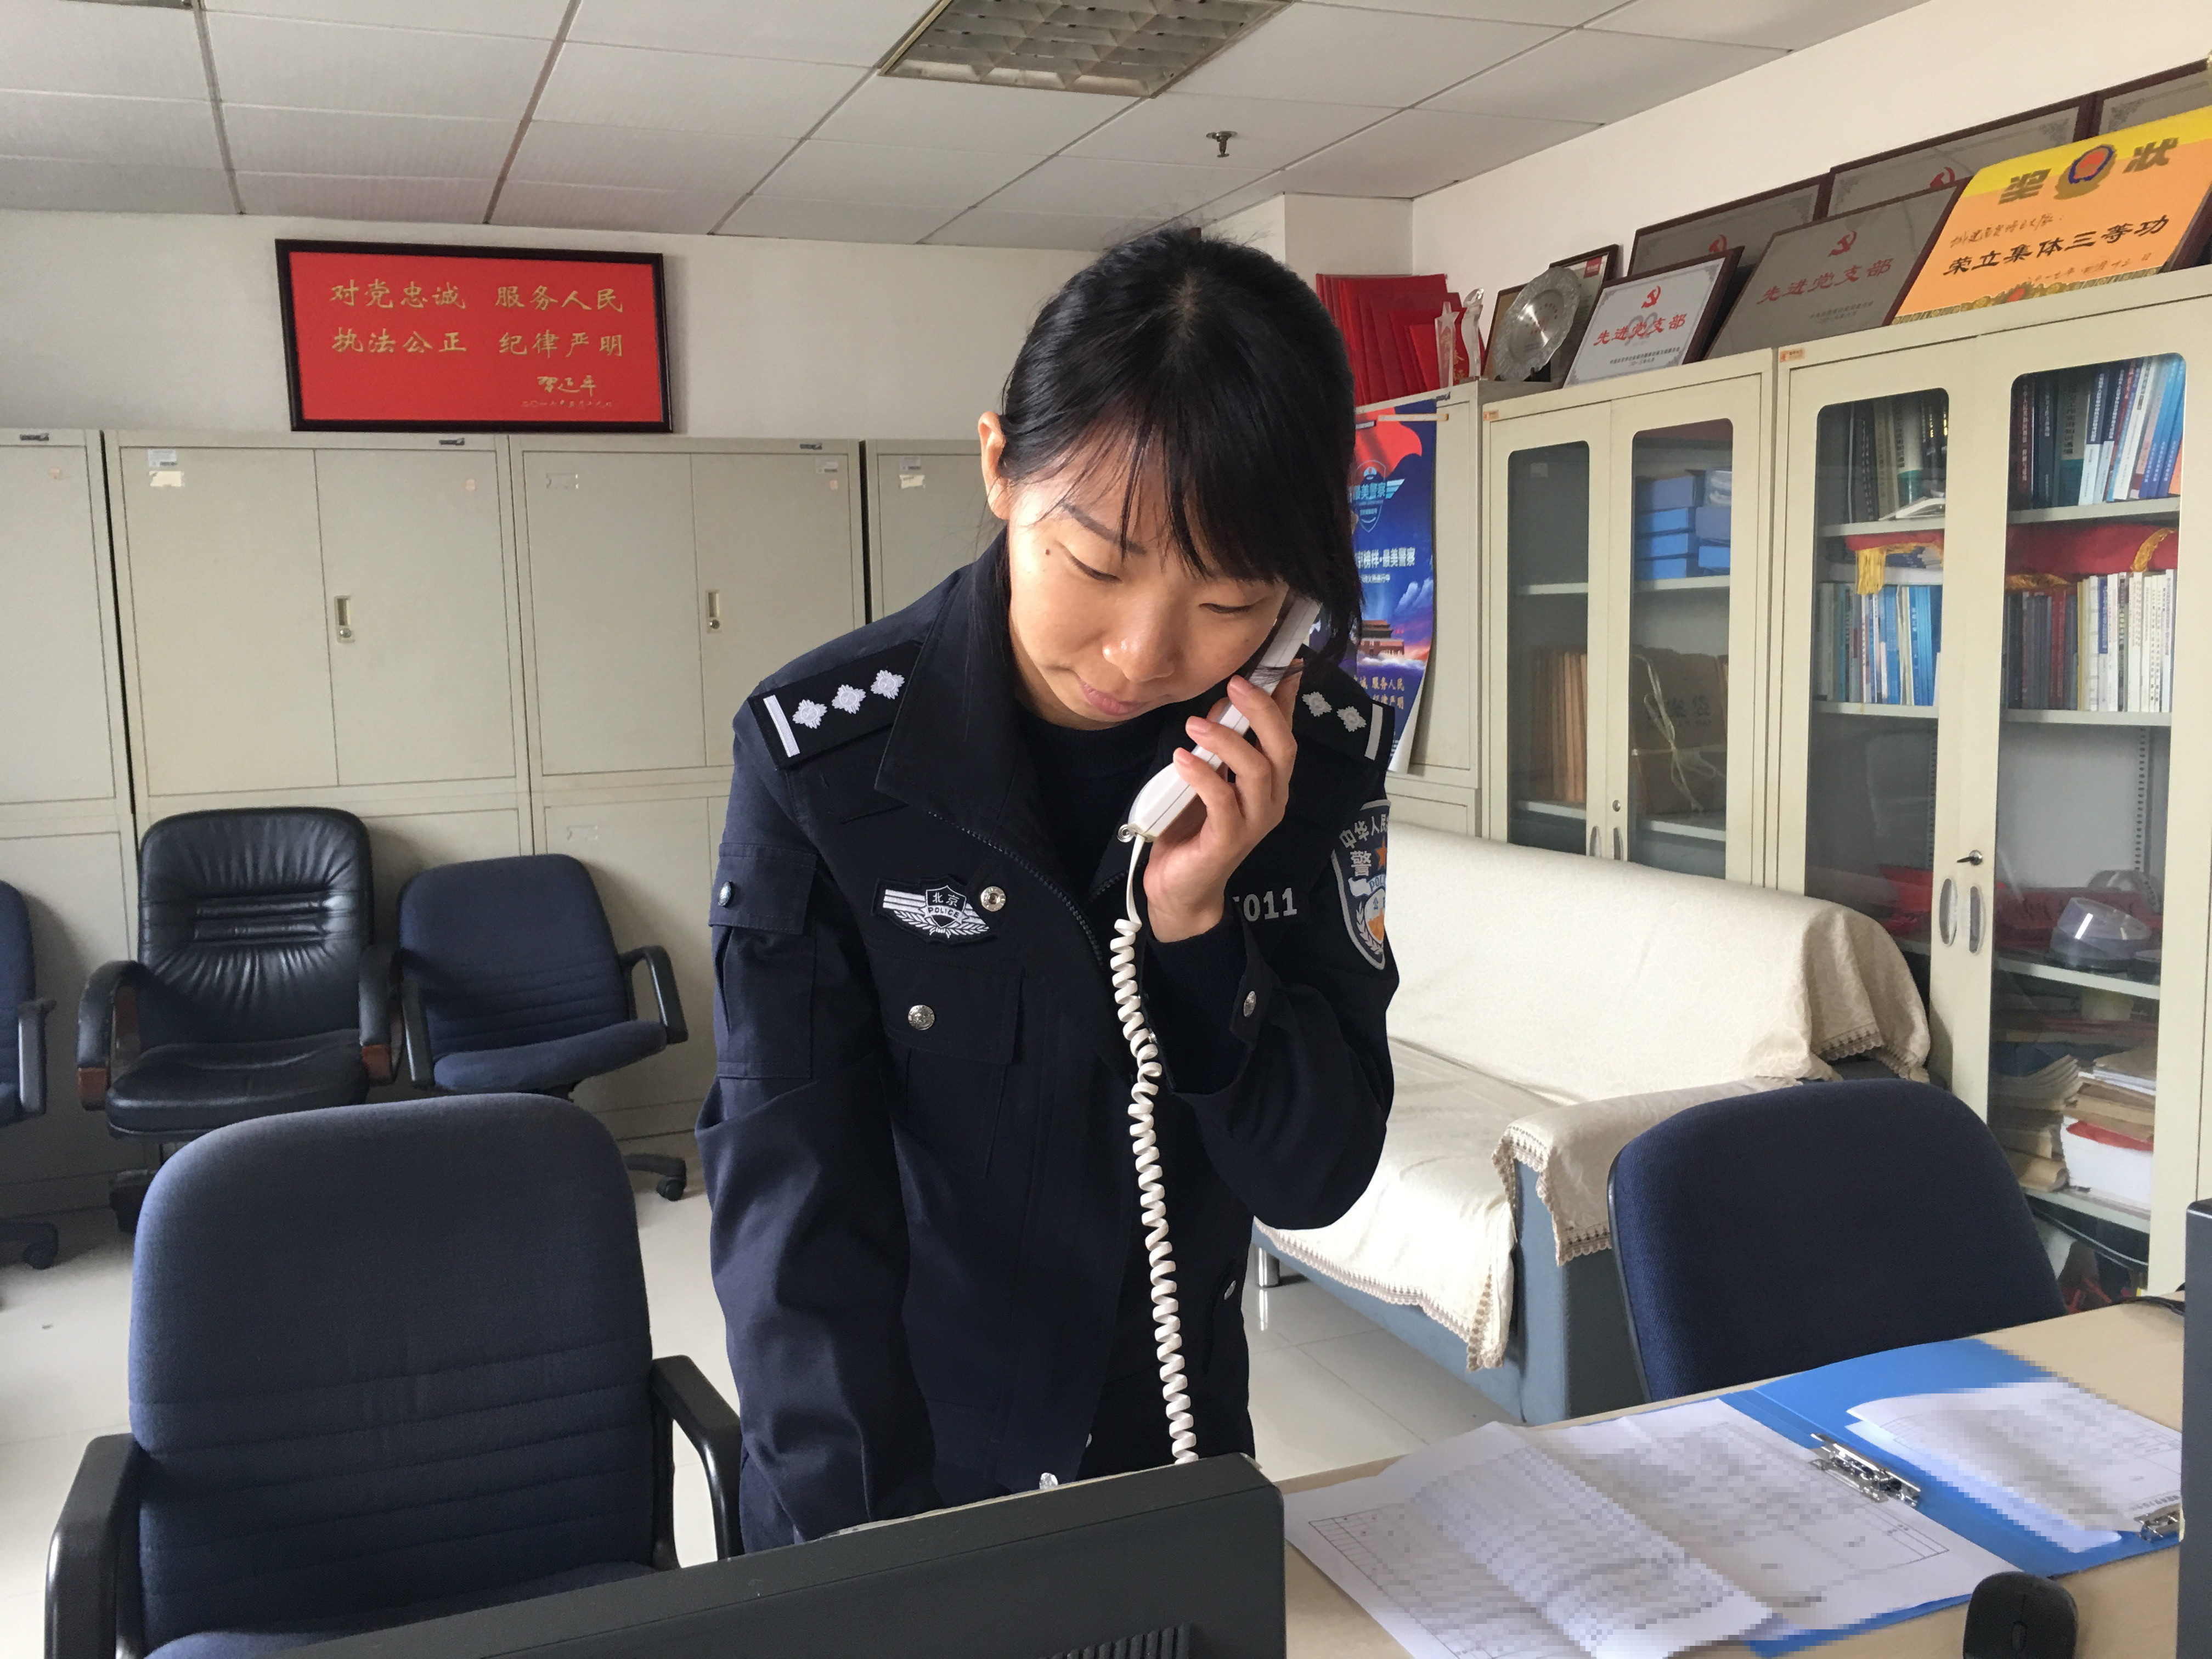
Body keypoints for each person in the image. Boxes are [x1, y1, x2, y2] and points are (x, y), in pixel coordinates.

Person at [699, 225, 1397, 1551]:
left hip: (1169, 1454)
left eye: (1234, 600)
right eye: (1097, 563)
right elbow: (795, 1220)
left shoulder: (1314, 762)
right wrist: (865, 1569)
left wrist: (1193, 935)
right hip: (892, 1468)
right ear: (1001, 471)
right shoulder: (825, 761)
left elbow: (1316, 1175)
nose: (1143, 652)